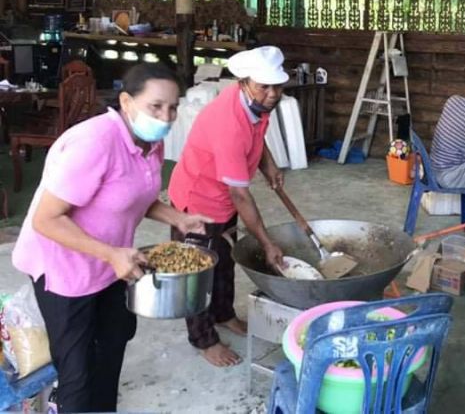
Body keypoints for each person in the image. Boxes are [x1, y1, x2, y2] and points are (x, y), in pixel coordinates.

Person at [11, 63, 211, 413]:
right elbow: (46, 219)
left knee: (114, 340)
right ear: (126, 102)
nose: (166, 116)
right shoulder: (94, 142)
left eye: (173, 107)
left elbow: (134, 195)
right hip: (65, 270)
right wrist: (111, 254)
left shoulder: (151, 142)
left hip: (111, 263)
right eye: (156, 106)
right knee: (77, 370)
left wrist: (177, 217)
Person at [168, 46, 288, 367]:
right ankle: (203, 339)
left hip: (221, 196)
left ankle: (223, 314)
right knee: (195, 272)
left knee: (224, 259)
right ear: (244, 82)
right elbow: (241, 195)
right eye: (264, 86)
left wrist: (268, 164)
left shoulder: (255, 104)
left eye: (277, 86)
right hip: (197, 199)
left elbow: (257, 136)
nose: (273, 94)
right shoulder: (229, 123)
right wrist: (267, 243)